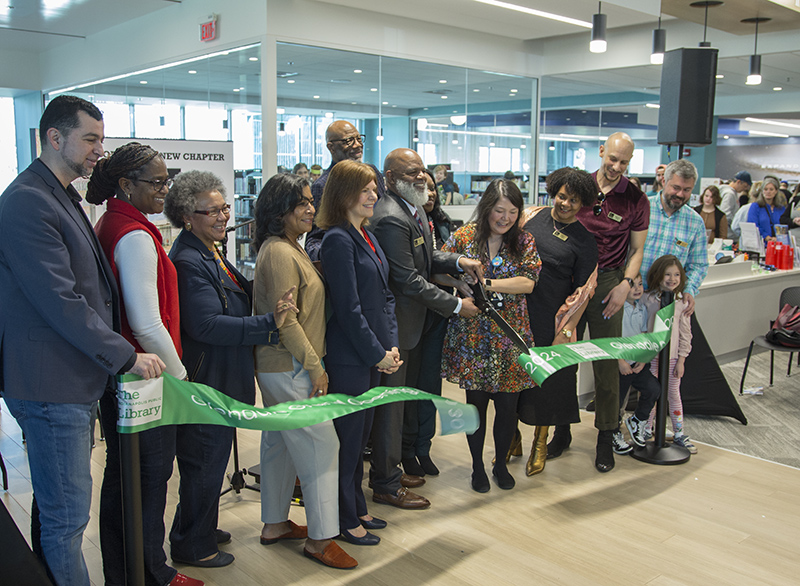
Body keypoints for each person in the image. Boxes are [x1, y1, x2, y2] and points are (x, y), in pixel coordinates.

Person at [0, 95, 165, 586]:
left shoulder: (60, 194)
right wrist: (124, 355)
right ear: (55, 137)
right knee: (68, 518)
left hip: (69, 378)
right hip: (51, 383)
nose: (99, 150)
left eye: (100, 138)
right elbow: (61, 301)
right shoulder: (29, 200)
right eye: (90, 139)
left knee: (57, 512)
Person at [163, 170, 295, 569]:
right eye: (213, 211)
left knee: (209, 461)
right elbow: (206, 325)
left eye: (225, 207)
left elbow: (236, 294)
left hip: (218, 377)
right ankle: (193, 545)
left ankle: (197, 527)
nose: (224, 216)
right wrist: (269, 323)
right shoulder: (189, 260)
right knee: (204, 461)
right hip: (208, 381)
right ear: (187, 216)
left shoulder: (209, 250)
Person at [87, 142, 200, 586]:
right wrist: (182, 379)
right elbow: (148, 324)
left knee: (126, 481)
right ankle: (151, 573)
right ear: (126, 185)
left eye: (166, 181)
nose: (163, 189)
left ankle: (131, 571)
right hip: (146, 380)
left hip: (130, 378)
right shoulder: (133, 234)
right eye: (155, 182)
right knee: (148, 481)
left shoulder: (115, 223)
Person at [252, 173, 357, 570]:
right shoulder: (279, 252)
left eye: (311, 201)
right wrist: (315, 367)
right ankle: (321, 538)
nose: (311, 208)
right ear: (280, 211)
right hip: (290, 364)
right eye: (302, 203)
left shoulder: (288, 247)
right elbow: (286, 321)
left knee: (279, 444)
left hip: (284, 365)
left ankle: (275, 523)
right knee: (322, 445)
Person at [369, 148, 483, 506]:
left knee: (403, 403)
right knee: (390, 408)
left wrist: (459, 260)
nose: (420, 177)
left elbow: (427, 258)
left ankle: (390, 469)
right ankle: (385, 484)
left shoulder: (414, 207)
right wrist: (455, 305)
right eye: (410, 172)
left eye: (421, 170)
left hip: (414, 325)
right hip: (395, 328)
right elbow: (406, 279)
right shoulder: (389, 216)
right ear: (389, 179)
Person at [317, 159, 402, 547]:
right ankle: (344, 517)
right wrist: (376, 353)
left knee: (361, 436)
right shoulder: (337, 238)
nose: (374, 195)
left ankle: (357, 505)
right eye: (366, 189)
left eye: (375, 188)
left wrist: (391, 344)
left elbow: (385, 296)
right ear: (344, 194)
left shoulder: (366, 234)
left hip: (374, 352)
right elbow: (349, 310)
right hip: (351, 356)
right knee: (348, 442)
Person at [440, 178, 541, 492]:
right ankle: (477, 468)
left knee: (508, 408)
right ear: (486, 209)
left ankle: (500, 463)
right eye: (499, 210)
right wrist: (458, 284)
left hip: (510, 336)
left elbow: (528, 282)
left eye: (513, 211)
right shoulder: (465, 237)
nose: (505, 218)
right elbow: (435, 267)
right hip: (473, 337)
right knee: (476, 406)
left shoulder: (523, 241)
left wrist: (488, 285)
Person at [573, 132, 649, 473]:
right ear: (601, 151)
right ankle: (560, 431)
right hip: (570, 278)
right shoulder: (578, 186)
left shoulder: (635, 199)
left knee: (606, 365)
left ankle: (606, 436)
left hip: (608, 282)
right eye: (612, 159)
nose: (616, 167)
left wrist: (624, 285)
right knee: (564, 358)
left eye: (624, 162)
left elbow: (637, 251)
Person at [517, 167, 598, 476]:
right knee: (512, 377)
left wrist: (565, 330)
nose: (565, 204)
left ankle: (540, 441)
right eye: (562, 196)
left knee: (547, 384)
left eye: (574, 200)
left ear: (583, 204)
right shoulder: (531, 216)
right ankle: (511, 437)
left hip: (552, 319)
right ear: (553, 191)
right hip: (517, 312)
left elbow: (584, 290)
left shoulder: (585, 241)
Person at [399, 169, 457, 476]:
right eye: (426, 188)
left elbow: (442, 260)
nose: (430, 193)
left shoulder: (444, 224)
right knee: (412, 388)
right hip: (416, 315)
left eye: (434, 189)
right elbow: (422, 271)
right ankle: (407, 449)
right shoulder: (405, 220)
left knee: (431, 387)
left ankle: (424, 447)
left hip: (439, 317)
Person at [305, 120, 385, 260]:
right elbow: (315, 240)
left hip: (380, 253)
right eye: (349, 141)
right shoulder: (323, 185)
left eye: (359, 139)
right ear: (331, 147)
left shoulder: (372, 172)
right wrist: (340, 255)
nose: (358, 145)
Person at [642, 255, 696, 454]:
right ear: (658, 275)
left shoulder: (682, 303)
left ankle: (679, 432)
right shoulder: (647, 299)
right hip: (651, 357)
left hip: (672, 359)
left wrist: (681, 359)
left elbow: (685, 334)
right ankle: (646, 428)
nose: (672, 279)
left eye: (676, 275)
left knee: (673, 394)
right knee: (651, 393)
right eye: (667, 274)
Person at [640, 159, 708, 314]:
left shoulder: (695, 222)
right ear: (664, 181)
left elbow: (699, 265)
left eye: (687, 190)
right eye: (676, 187)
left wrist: (689, 289)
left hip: (666, 303)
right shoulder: (642, 208)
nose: (680, 194)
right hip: (632, 297)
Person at [619, 273, 661, 449]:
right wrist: (620, 361)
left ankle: (638, 420)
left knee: (653, 389)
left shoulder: (642, 309)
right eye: (633, 285)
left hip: (637, 363)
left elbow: (644, 334)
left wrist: (643, 359)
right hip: (621, 364)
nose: (637, 289)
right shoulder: (618, 311)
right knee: (618, 402)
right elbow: (613, 338)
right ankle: (614, 431)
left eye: (640, 284)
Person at [747, 176, 786, 242]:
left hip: (778, 243)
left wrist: (779, 237)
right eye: (766, 189)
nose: (768, 192)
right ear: (762, 191)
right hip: (761, 243)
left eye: (771, 189)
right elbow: (753, 225)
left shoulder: (781, 208)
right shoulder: (755, 206)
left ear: (776, 191)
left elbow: (784, 226)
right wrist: (765, 236)